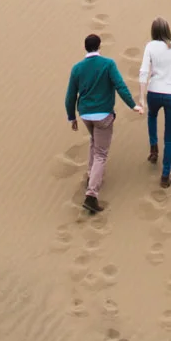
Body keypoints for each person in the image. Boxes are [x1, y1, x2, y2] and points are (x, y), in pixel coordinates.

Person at [65, 32, 141, 214]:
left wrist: (71, 117)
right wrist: (133, 105)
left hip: (85, 115)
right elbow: (120, 86)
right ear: (99, 46)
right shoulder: (108, 64)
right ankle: (92, 194)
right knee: (101, 153)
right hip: (103, 116)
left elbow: (70, 96)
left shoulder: (77, 68)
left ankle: (91, 174)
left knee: (94, 141)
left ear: (85, 48)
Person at [138, 17, 171, 188]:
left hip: (154, 91)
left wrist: (141, 96)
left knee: (152, 116)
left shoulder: (150, 46)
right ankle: (165, 175)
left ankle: (153, 148)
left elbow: (144, 71)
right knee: (169, 137)